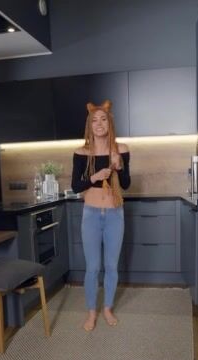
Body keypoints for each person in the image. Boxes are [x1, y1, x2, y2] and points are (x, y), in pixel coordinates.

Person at [70, 100, 131, 331]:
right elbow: (76, 186)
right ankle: (91, 312)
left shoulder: (121, 149)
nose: (99, 123)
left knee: (111, 266)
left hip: (115, 214)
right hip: (91, 215)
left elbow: (125, 184)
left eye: (103, 119)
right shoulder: (81, 153)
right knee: (93, 267)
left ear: (110, 123)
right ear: (89, 125)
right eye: (94, 120)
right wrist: (95, 177)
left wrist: (120, 166)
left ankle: (107, 308)